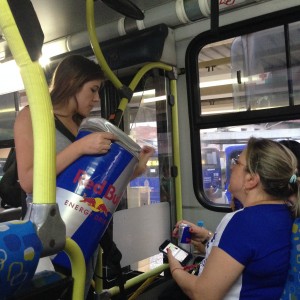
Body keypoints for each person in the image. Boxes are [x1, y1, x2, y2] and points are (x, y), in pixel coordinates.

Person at [14, 54, 154, 297]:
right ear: (72, 83)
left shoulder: (82, 126)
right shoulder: (33, 115)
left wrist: (135, 171)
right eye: (93, 89)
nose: (96, 98)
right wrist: (79, 147)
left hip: (82, 233)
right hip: (48, 235)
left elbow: (87, 185)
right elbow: (27, 180)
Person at [168, 137, 300, 300]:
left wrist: (175, 269)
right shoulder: (287, 213)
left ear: (251, 180)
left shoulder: (243, 221)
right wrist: (208, 238)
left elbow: (203, 294)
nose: (231, 166)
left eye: (237, 163)